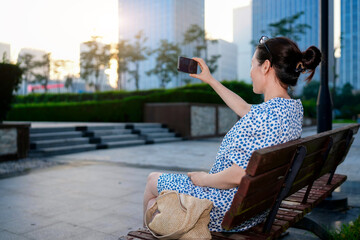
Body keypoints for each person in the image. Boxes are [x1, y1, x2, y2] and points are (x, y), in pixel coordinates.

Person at [143, 36, 322, 232]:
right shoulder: (290, 109)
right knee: (157, 199)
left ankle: (146, 233)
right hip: (255, 207)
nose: (251, 71)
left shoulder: (266, 115)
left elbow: (240, 175)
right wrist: (210, 80)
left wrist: (203, 179)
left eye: (253, 64)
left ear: (266, 66)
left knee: (153, 182)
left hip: (227, 206)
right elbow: (244, 107)